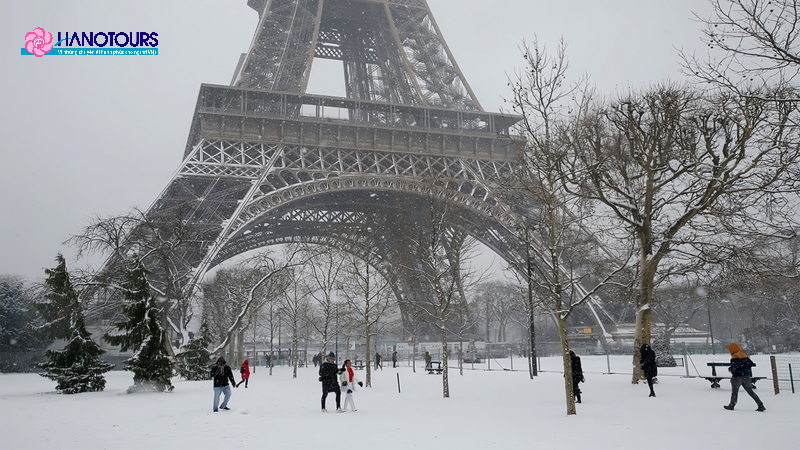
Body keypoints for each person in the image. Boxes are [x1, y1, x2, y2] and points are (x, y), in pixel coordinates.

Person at [723, 342, 766, 412]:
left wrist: (730, 369)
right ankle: (760, 405)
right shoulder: (744, 356)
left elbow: (735, 368)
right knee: (750, 391)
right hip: (746, 377)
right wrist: (745, 367)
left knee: (734, 392)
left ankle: (732, 405)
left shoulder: (734, 358)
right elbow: (752, 364)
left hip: (737, 377)